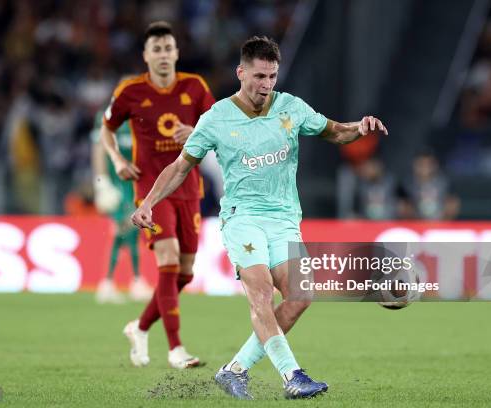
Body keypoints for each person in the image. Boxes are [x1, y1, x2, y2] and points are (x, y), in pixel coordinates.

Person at [131, 36, 388, 399]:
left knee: (300, 297)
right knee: (262, 294)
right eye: (259, 76)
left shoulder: (291, 108)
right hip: (243, 218)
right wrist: (148, 203)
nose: (266, 85)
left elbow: (334, 132)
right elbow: (179, 167)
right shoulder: (216, 118)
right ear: (241, 73)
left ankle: (234, 370)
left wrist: (359, 128)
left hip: (284, 219)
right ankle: (292, 376)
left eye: (272, 76)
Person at [100, 21, 215, 369]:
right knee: (167, 260)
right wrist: (117, 159)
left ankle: (140, 326)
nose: (164, 55)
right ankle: (176, 348)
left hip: (189, 187)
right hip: (150, 189)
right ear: (146, 56)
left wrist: (196, 131)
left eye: (168, 48)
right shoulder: (129, 91)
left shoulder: (195, 87)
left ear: (177, 53)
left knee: (185, 272)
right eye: (157, 49)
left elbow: (220, 127)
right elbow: (106, 129)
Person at [91, 106, 152, 304]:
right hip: (117, 184)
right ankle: (133, 282)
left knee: (126, 232)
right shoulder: (108, 117)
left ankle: (109, 284)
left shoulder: (140, 119)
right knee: (128, 229)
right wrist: (102, 182)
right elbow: (99, 149)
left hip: (133, 184)